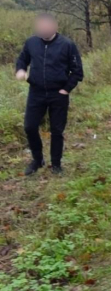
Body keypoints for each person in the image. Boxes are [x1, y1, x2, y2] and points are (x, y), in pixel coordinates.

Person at [15, 13, 84, 176]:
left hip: (58, 94)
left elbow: (77, 71)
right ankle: (37, 160)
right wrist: (21, 70)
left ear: (55, 26)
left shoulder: (67, 45)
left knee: (57, 131)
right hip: (36, 93)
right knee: (30, 127)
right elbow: (22, 59)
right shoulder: (31, 43)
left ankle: (56, 164)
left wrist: (66, 89)